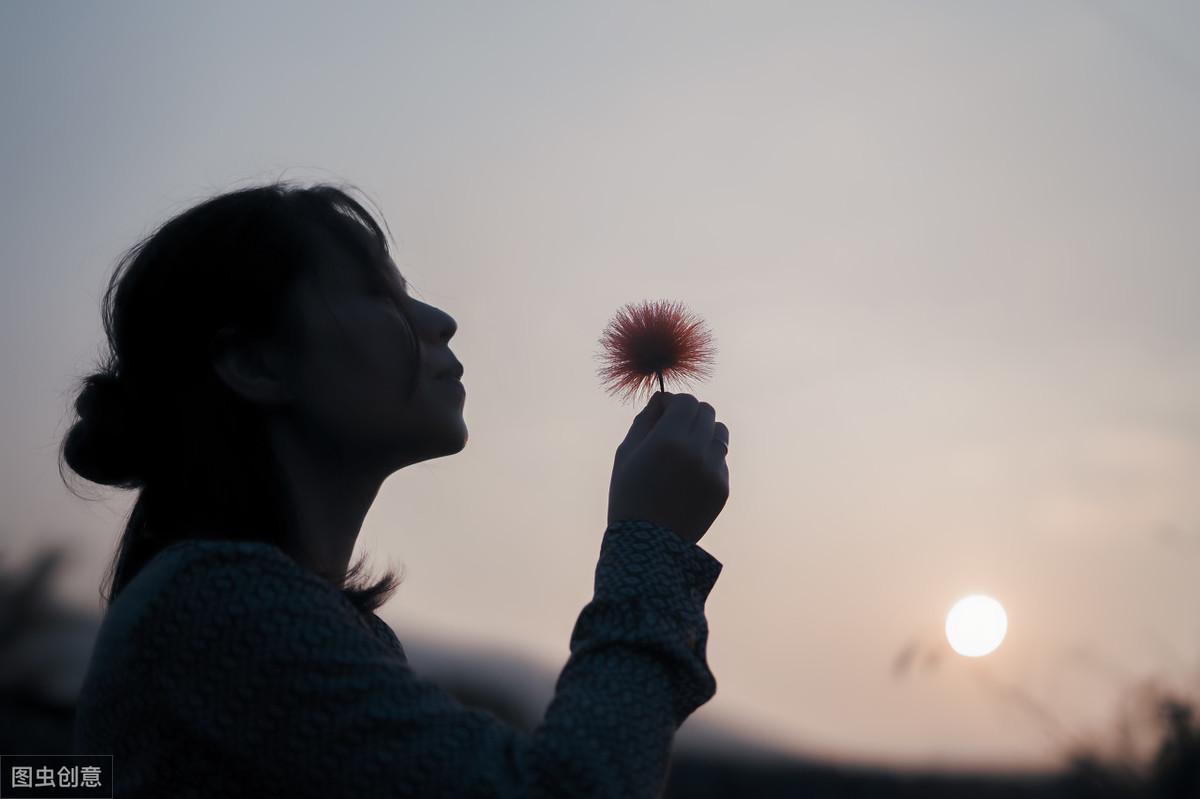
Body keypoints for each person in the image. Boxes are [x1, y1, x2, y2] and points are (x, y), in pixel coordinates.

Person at [61, 181, 731, 798]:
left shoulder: (308, 623)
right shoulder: (213, 605)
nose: (439, 319)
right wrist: (651, 546)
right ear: (254, 361)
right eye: (381, 295)